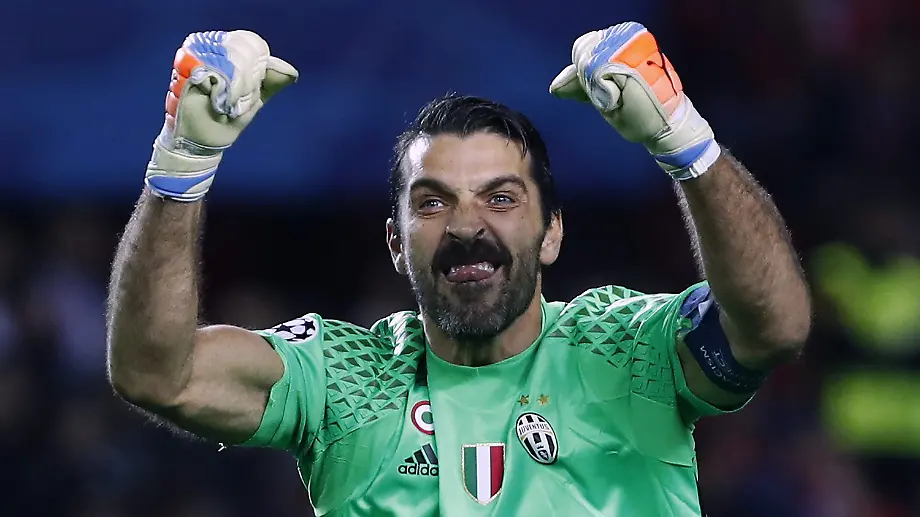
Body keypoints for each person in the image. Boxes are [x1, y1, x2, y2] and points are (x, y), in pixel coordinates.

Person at [106, 23, 812, 516]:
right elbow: (155, 374)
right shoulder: (341, 378)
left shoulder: (628, 349)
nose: (467, 227)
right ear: (395, 242)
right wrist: (184, 159)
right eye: (433, 202)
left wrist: (684, 139)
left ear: (552, 232)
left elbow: (775, 324)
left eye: (501, 198)